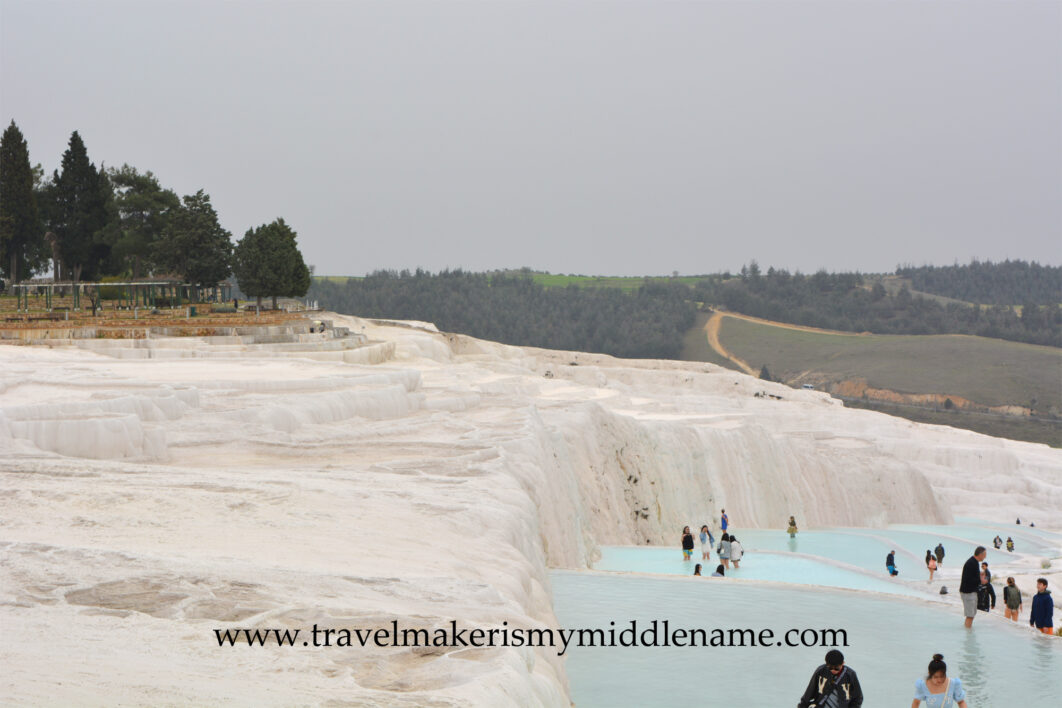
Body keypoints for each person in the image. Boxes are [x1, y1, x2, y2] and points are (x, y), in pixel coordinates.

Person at [797, 649, 863, 708]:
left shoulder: (850, 674)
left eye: (837, 668)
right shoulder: (820, 671)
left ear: (843, 663)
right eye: (830, 668)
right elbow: (809, 693)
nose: (833, 670)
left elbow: (858, 698)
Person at [959, 546, 987, 628]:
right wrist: (981, 580)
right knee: (970, 615)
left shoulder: (974, 562)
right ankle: (968, 634)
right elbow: (969, 579)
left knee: (972, 615)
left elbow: (971, 576)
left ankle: (968, 632)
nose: (985, 557)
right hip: (968, 592)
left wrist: (979, 576)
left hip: (970, 592)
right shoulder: (972, 563)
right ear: (980, 554)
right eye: (985, 554)